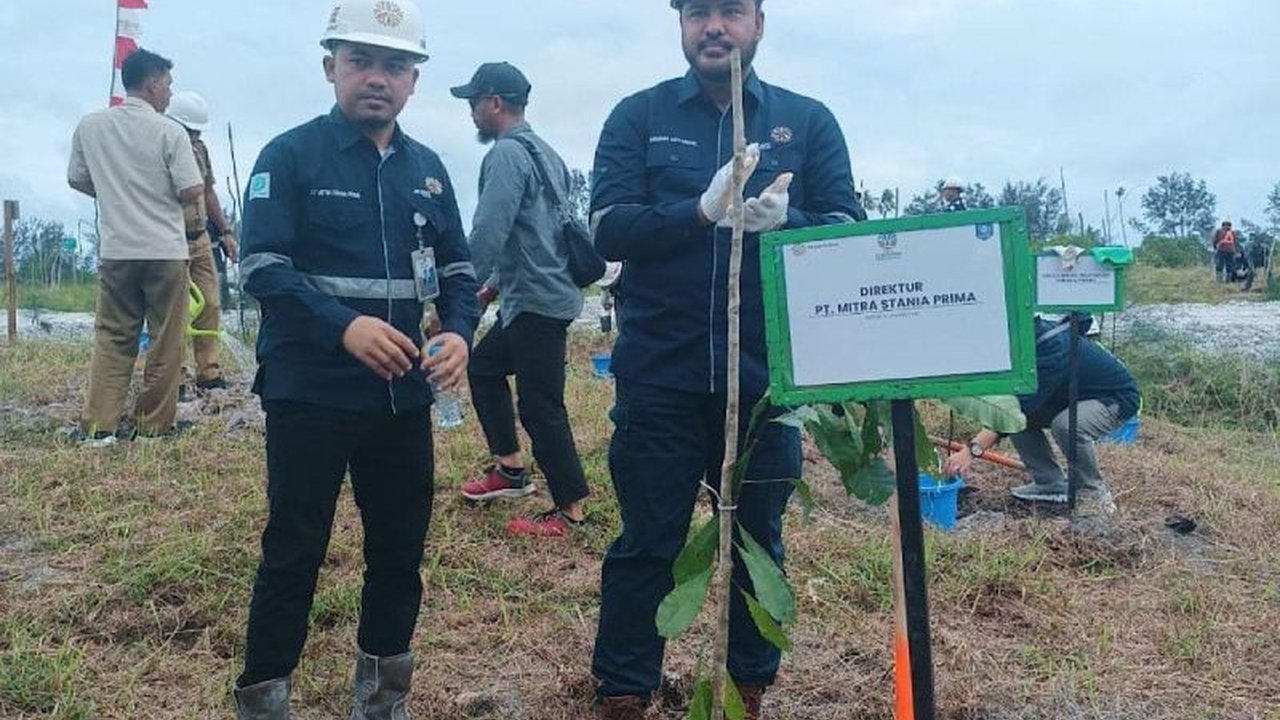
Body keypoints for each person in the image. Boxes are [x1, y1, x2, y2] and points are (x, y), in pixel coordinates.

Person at [588, 1, 859, 717]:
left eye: (731, 10)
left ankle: (745, 688)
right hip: (659, 375)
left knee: (756, 544)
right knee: (648, 538)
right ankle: (623, 689)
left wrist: (788, 224)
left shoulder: (808, 122)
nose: (715, 26)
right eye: (698, 11)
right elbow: (607, 229)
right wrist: (698, 212)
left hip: (767, 382)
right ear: (680, 25)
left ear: (759, 23)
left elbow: (846, 231)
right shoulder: (636, 118)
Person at [233, 1, 479, 716]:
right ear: (329, 68)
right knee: (294, 547)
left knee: (399, 554)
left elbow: (460, 272)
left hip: (402, 398)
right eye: (361, 61)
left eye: (395, 65)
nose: (378, 77)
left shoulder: (429, 171)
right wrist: (343, 326)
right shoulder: (290, 156)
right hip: (310, 392)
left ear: (414, 80)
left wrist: (460, 332)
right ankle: (264, 698)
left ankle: (382, 701)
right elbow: (263, 268)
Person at [449, 62, 592, 537]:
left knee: (541, 405)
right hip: (537, 293)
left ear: (494, 103)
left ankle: (570, 510)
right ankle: (510, 472)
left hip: (537, 301)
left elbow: (491, 231)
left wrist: (461, 289)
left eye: (473, 103)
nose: (470, 114)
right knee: (484, 367)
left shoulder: (507, 154)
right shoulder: (545, 152)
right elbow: (536, 234)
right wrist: (491, 289)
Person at [67, 48, 204, 446]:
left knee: (112, 336)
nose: (169, 94)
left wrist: (115, 193)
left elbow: (77, 179)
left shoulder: (91, 126)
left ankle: (99, 427)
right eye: (168, 84)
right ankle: (154, 427)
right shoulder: (169, 131)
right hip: (164, 251)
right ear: (153, 82)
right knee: (165, 338)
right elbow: (192, 187)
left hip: (117, 249)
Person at [943, 314, 1140, 516]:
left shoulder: (1050, 347)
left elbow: (1016, 407)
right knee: (1019, 421)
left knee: (1066, 425)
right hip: (1068, 397)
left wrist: (971, 451)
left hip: (1113, 398)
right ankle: (1050, 483)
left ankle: (1093, 494)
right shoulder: (1021, 346)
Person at [166, 90, 239, 391]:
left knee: (210, 303)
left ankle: (209, 371)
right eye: (189, 130)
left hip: (200, 238)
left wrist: (224, 232)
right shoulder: (163, 147)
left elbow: (208, 192)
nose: (193, 136)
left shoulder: (200, 150)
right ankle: (177, 374)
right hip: (170, 239)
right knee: (175, 309)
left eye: (196, 132)